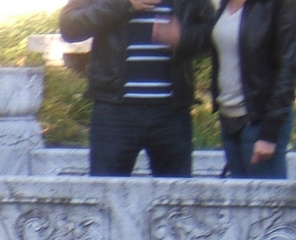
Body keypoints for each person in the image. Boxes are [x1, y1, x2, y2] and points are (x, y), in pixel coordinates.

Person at [60, 0, 217, 176]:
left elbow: (214, 32)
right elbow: (69, 27)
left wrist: (184, 37)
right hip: (114, 112)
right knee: (107, 195)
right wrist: (124, 4)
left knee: (174, 197)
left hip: (171, 113)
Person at [209, 0, 296, 178]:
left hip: (260, 122)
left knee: (266, 204)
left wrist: (269, 133)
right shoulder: (224, 4)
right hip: (228, 120)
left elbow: (288, 68)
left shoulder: (280, 4)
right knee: (238, 203)